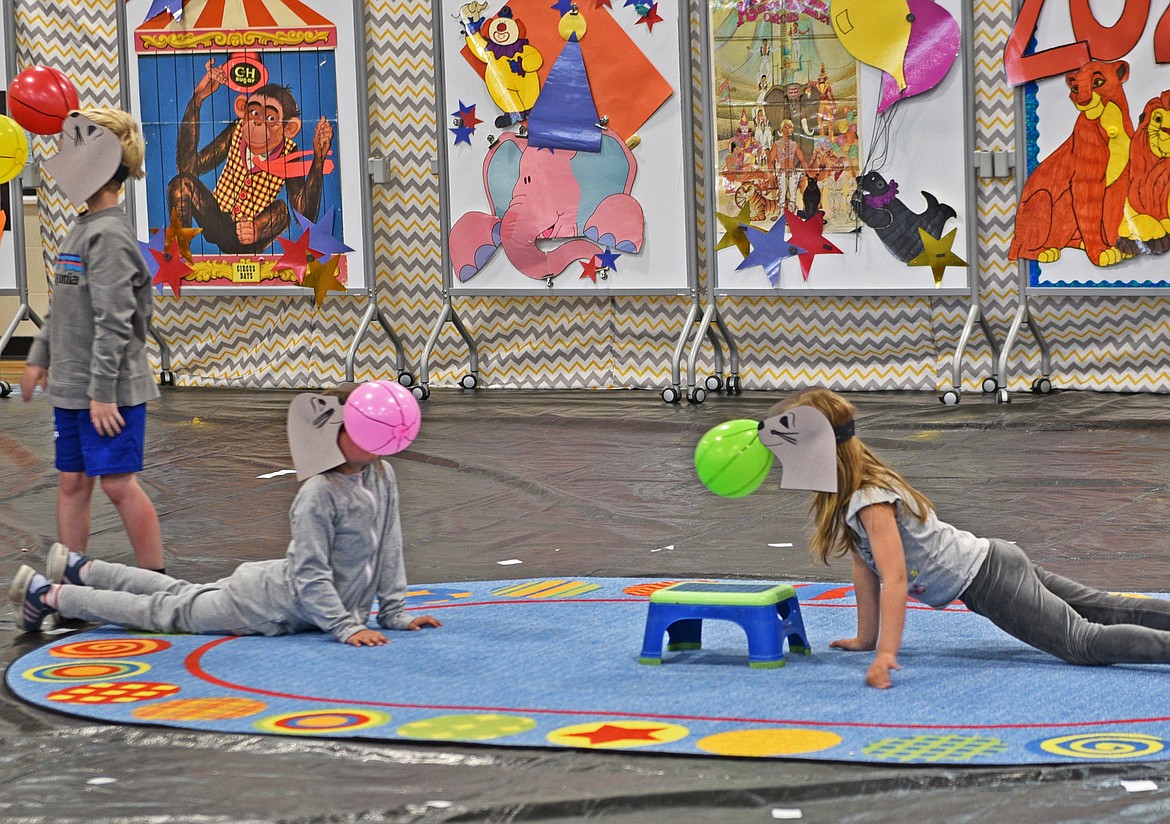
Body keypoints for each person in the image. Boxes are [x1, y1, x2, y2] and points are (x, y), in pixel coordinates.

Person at [757, 387, 1170, 689]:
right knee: (1101, 608)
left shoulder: (868, 500)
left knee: (1083, 642)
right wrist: (867, 639)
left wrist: (886, 654)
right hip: (994, 559)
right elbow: (865, 566)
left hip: (990, 582)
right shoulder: (857, 492)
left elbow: (894, 578)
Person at [9, 384, 442, 646]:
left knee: (179, 592)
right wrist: (346, 627)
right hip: (263, 604)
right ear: (338, 430)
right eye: (368, 437)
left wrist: (395, 612)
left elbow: (389, 543)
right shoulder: (318, 493)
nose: (377, 448)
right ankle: (48, 595)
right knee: (168, 613)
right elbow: (310, 575)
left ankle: (82, 568)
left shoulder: (380, 475)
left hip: (280, 589)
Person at [20, 108, 165, 572]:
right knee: (72, 481)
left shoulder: (109, 237)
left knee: (118, 485)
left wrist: (103, 394)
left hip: (110, 392)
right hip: (73, 388)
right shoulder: (80, 229)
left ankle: (157, 580)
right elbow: (63, 306)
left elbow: (116, 321)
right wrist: (39, 357)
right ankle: (72, 578)